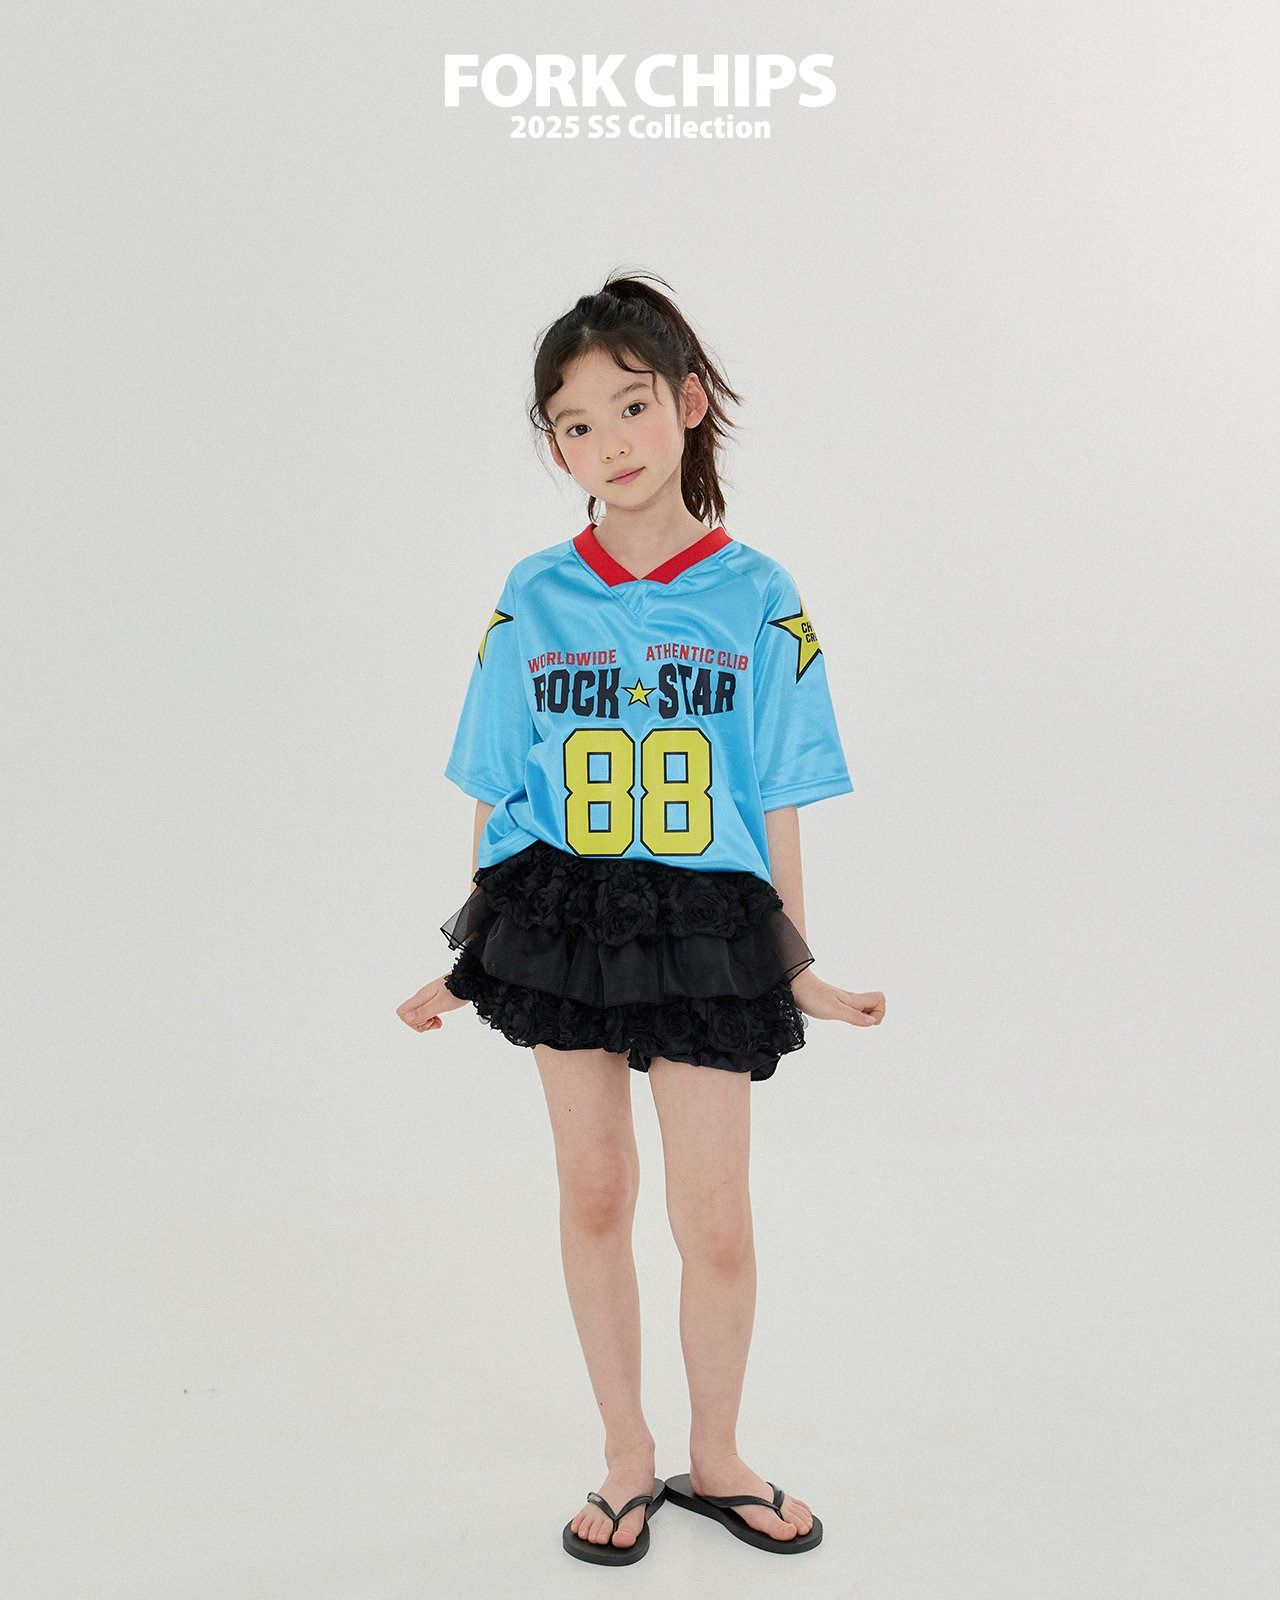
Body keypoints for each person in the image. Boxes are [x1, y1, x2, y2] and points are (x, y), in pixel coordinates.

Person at [397, 270, 886, 1565]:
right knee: (596, 1190)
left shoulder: (760, 593)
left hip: (709, 922)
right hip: (562, 909)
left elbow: (777, 792)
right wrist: (471, 953)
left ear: (687, 402)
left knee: (713, 1213)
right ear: (553, 446)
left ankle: (715, 1455)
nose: (609, 440)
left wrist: (799, 961)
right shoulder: (532, 593)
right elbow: (501, 783)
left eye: (630, 405)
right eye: (574, 423)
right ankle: (625, 1456)